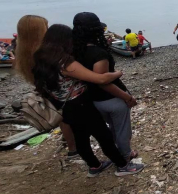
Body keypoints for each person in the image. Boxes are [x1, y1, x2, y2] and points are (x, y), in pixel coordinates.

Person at [32, 24, 144, 177]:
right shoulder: (64, 62)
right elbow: (100, 78)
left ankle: (94, 166)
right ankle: (122, 166)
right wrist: (118, 73)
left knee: (81, 137)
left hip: (62, 105)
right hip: (80, 104)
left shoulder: (40, 59)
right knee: (103, 136)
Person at [73, 12, 139, 162]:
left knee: (112, 127)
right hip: (111, 98)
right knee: (122, 130)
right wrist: (127, 97)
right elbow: (103, 82)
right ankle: (125, 155)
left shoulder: (75, 52)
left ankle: (117, 152)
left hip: (92, 100)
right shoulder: (98, 53)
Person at [15, 15, 77, 158]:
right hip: (60, 91)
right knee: (67, 118)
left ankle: (71, 145)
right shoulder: (43, 52)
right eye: (46, 26)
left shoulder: (22, 51)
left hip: (47, 91)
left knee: (63, 119)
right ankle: (73, 148)